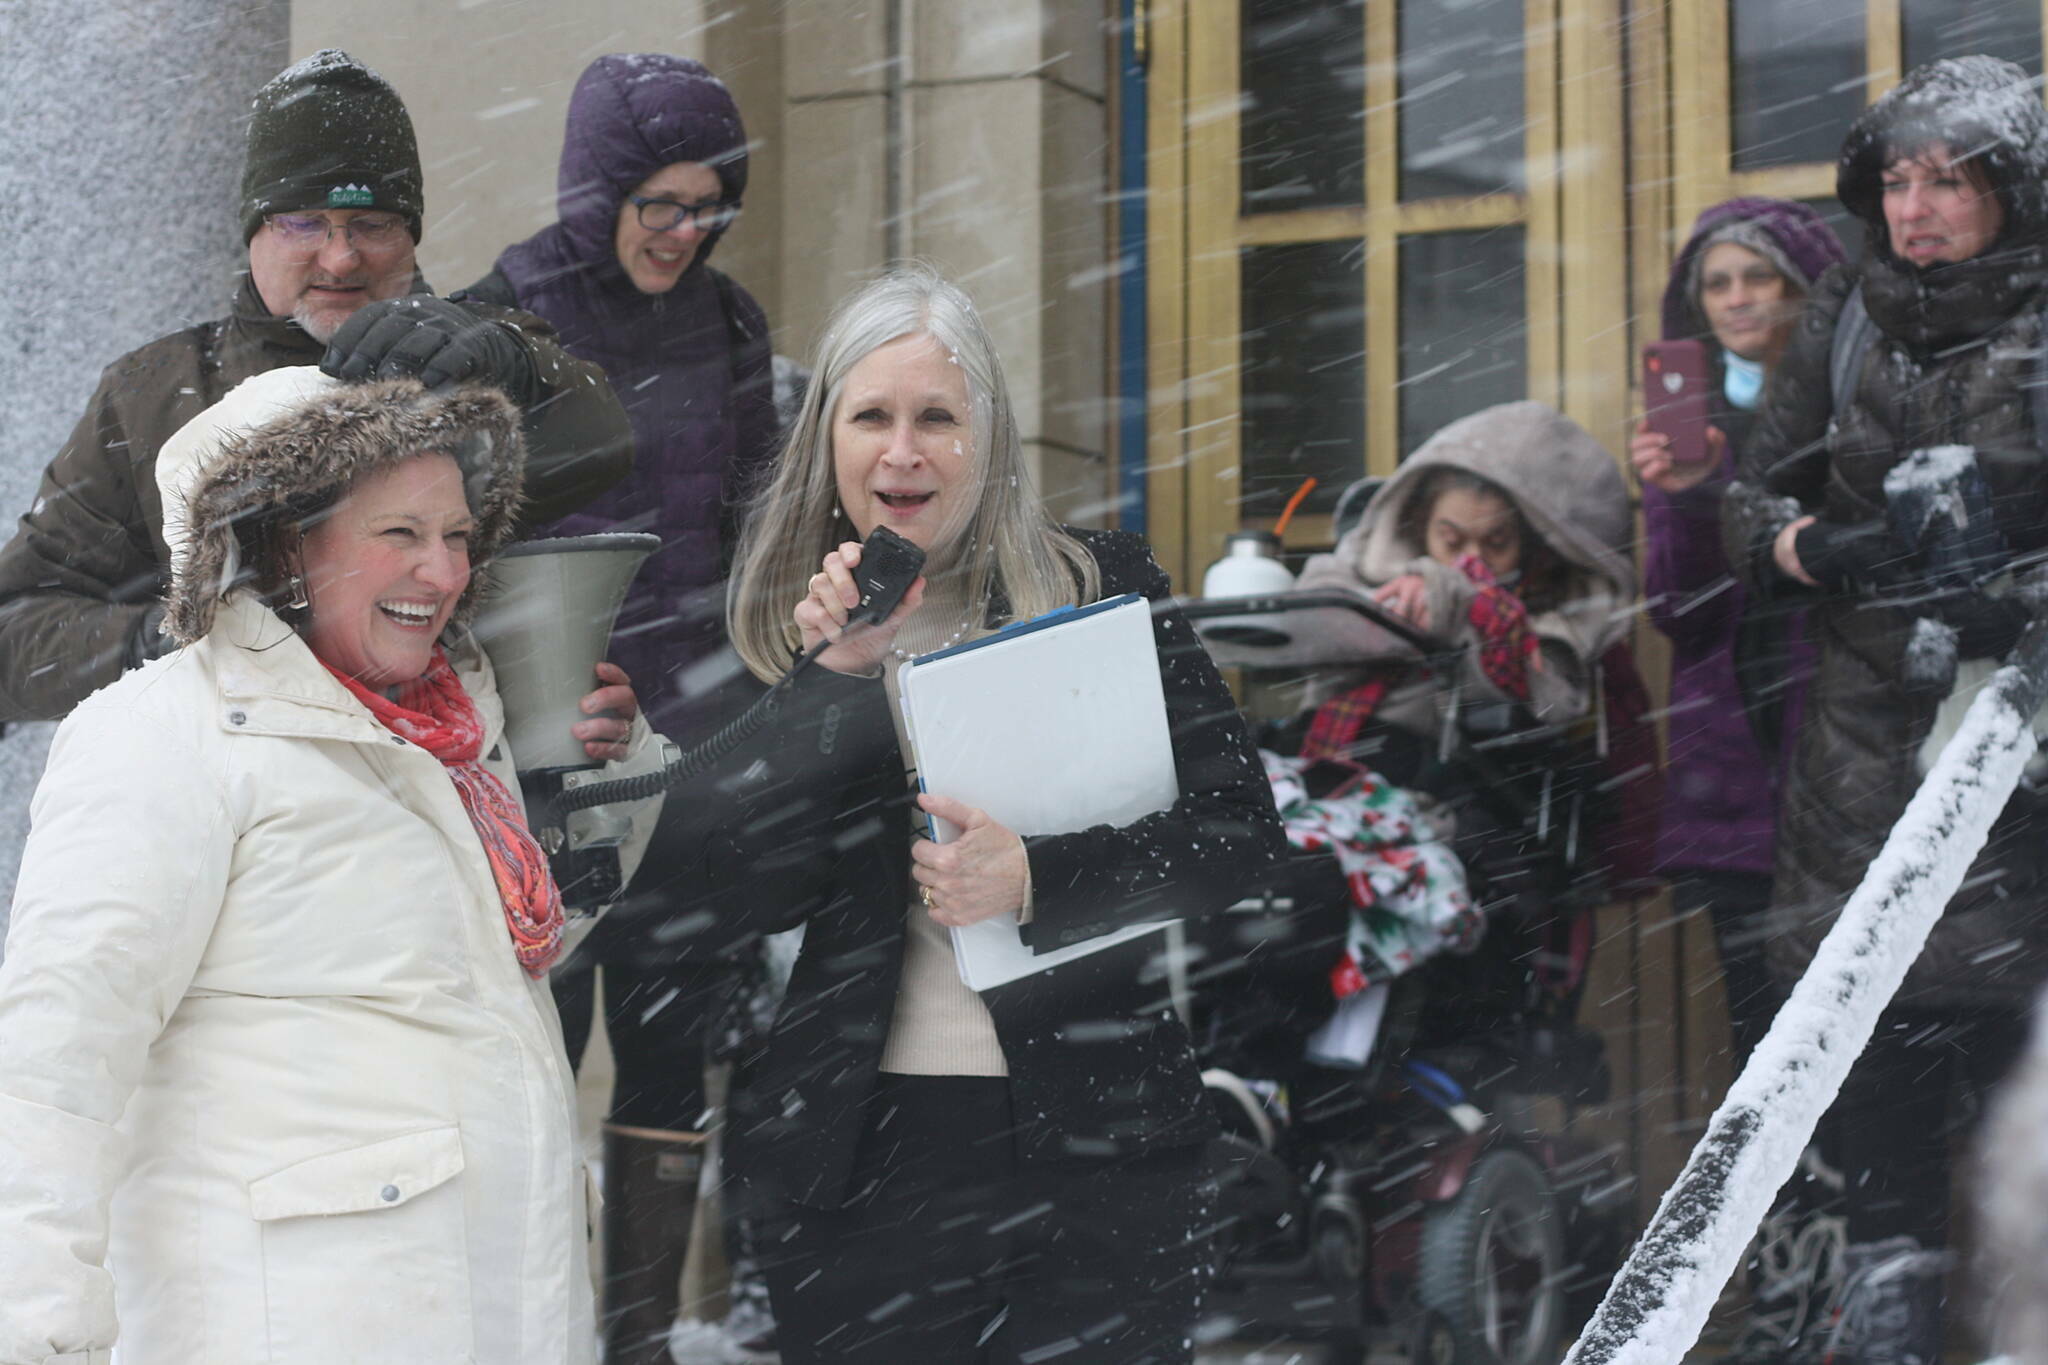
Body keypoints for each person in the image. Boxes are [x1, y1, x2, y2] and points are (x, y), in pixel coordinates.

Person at [626, 263, 1286, 1364]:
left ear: (988, 438)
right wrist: (831, 683)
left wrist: (1039, 876)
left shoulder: (1095, 585)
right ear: (825, 439)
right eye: (872, 416)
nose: (902, 451)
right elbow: (738, 894)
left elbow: (1240, 846)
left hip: (1100, 1150)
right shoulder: (782, 624)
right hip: (857, 1162)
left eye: (936, 416)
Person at [0, 367, 664, 1365]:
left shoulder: (451, 736)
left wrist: (624, 769)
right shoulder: (160, 735)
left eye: (455, 535)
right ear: (278, 544)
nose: (441, 572)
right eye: (398, 533)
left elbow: (502, 957)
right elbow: (51, 1074)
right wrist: (44, 1335)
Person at [0, 48, 633, 725]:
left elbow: (604, 443)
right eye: (302, 221)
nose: (340, 255)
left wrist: (510, 367)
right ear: (253, 232)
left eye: (373, 223)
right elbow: (16, 629)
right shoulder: (153, 392)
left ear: (411, 234)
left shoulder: (478, 353)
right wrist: (173, 642)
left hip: (462, 777)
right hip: (242, 801)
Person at [1721, 55, 2048, 1359]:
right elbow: (1747, 506)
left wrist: (2011, 570)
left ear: (2010, 191)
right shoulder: (1847, 310)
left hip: (2024, 753)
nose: (1917, 207)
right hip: (1866, 759)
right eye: (1898, 180)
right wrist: (1827, 550)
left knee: (2023, 1075)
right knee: (1881, 1061)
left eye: (1949, 180)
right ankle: (1889, 1319)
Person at [456, 56, 778, 1361]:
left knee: (667, 1054)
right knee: (532, 1063)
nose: (679, 232)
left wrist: (744, 717)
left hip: (687, 755)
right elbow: (441, 549)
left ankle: (641, 1340)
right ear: (598, 191)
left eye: (706, 207)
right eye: (656, 202)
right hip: (535, 764)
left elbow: (754, 534)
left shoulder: (733, 329)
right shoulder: (502, 318)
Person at [1292, 401, 1638, 743]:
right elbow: (1306, 630)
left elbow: (1555, 707)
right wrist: (1393, 605)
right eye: (1451, 541)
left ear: (1529, 544)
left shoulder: (1548, 615)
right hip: (1328, 760)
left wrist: (1459, 607)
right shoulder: (1369, 567)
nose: (1472, 560)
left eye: (1497, 543)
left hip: (1447, 780)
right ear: (1420, 528)